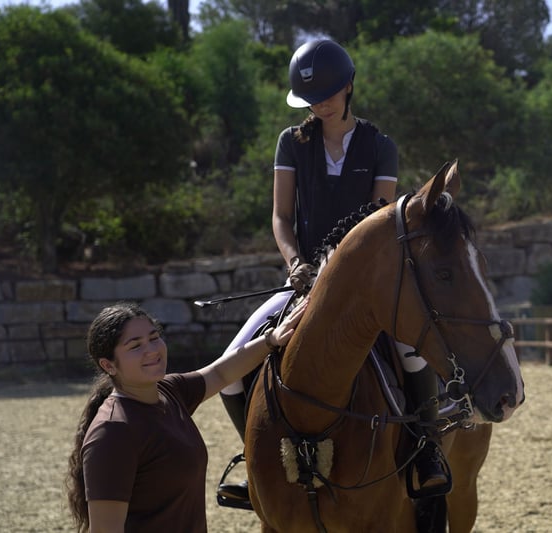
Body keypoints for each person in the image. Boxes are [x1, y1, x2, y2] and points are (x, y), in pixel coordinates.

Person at [217, 38, 448, 501]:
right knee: (232, 367)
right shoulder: (292, 142)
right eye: (310, 99)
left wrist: (338, 269)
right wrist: (296, 264)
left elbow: (377, 221)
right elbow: (281, 217)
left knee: (411, 351)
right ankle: (254, 460)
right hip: (302, 281)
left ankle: (427, 450)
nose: (319, 105)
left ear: (348, 87)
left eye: (327, 95)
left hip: (362, 285)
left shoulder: (380, 146)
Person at [65, 299, 306, 533]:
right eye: (135, 346)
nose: (152, 350)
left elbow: (220, 374)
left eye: (154, 337)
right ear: (108, 365)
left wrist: (270, 340)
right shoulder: (113, 432)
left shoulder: (169, 391)